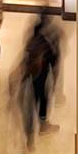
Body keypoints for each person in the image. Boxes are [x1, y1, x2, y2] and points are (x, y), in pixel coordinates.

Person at [20, 14, 61, 145]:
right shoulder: (52, 39)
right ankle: (40, 127)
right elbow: (54, 62)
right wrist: (54, 80)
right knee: (40, 97)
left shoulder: (34, 37)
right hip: (39, 75)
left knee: (31, 101)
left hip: (29, 74)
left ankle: (32, 133)